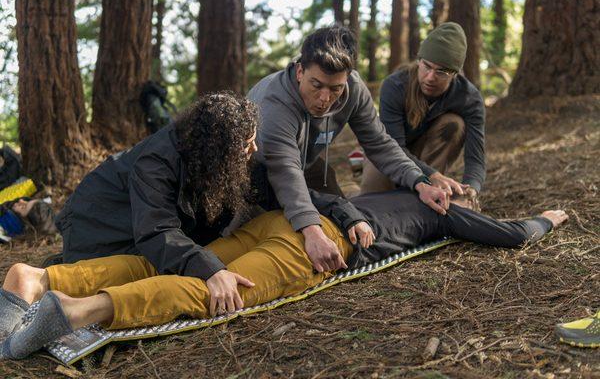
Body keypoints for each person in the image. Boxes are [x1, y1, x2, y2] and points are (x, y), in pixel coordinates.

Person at [0, 187, 567, 359]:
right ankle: (77, 310)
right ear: (436, 186)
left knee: (176, 257)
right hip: (316, 244)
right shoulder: (439, 206)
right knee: (215, 288)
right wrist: (548, 215)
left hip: (284, 218)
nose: (450, 192)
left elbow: (316, 189)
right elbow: (510, 233)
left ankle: (43, 278)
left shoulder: (391, 187)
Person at [248, 25, 447, 274]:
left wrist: (420, 182)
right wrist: (311, 230)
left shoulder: (353, 88)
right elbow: (284, 172)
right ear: (300, 71)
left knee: (343, 224)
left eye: (335, 89)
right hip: (254, 176)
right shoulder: (275, 105)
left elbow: (379, 142)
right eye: (316, 85)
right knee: (267, 234)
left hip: (305, 164)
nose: (324, 98)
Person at [52, 91, 261, 315]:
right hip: (95, 225)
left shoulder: (202, 154)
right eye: (247, 144)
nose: (254, 148)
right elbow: (155, 230)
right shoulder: (156, 163)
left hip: (128, 219)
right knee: (133, 273)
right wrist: (209, 270)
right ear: (222, 148)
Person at [360, 22, 485, 211]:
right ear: (419, 60)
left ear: (454, 73)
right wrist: (432, 175)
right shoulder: (394, 86)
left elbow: (476, 157)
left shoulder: (469, 97)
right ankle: (352, 185)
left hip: (426, 153)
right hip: (389, 152)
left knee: (454, 125)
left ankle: (421, 201)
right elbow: (393, 147)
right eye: (427, 66)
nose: (430, 77)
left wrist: (471, 193)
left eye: (441, 71)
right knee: (372, 207)